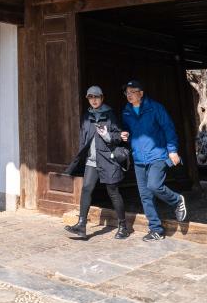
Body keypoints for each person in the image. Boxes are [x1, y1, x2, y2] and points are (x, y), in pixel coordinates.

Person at [120, 79, 188, 240]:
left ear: (141, 93)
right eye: (127, 93)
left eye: (132, 92)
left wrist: (172, 150)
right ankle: (156, 229)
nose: (129, 95)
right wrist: (125, 134)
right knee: (145, 195)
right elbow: (129, 130)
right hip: (139, 157)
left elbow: (168, 128)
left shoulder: (155, 108)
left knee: (154, 185)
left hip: (157, 154)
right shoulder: (126, 111)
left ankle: (177, 200)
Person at [63, 85, 131, 240]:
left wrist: (107, 136)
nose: (94, 100)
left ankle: (123, 227)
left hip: (108, 159)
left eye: (96, 97)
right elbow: (83, 137)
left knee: (113, 192)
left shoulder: (110, 114)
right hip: (92, 160)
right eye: (91, 97)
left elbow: (119, 136)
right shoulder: (86, 116)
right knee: (86, 189)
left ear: (102, 98)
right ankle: (81, 226)